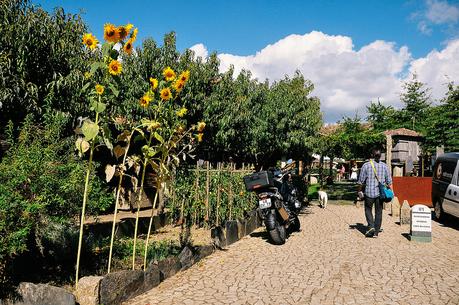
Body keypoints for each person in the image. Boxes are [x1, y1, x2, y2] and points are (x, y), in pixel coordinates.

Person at [357, 148, 393, 238]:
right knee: (379, 212)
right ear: (380, 156)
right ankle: (376, 232)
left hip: (369, 192)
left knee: (368, 209)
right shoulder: (385, 166)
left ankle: (371, 226)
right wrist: (392, 192)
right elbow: (389, 181)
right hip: (380, 194)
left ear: (372, 155)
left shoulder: (366, 165)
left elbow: (361, 181)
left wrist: (359, 191)